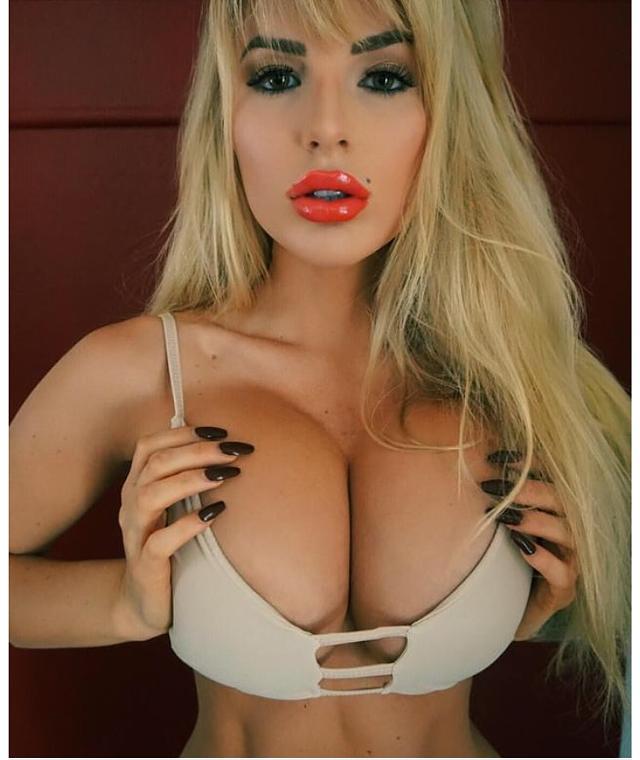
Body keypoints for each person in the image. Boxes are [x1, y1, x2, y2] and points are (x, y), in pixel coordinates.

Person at [9, 0, 630, 757]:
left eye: (384, 77)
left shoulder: (520, 378)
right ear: (225, 116)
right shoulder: (141, 372)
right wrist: (124, 604)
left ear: (450, 116)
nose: (326, 128)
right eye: (276, 77)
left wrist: (545, 613)